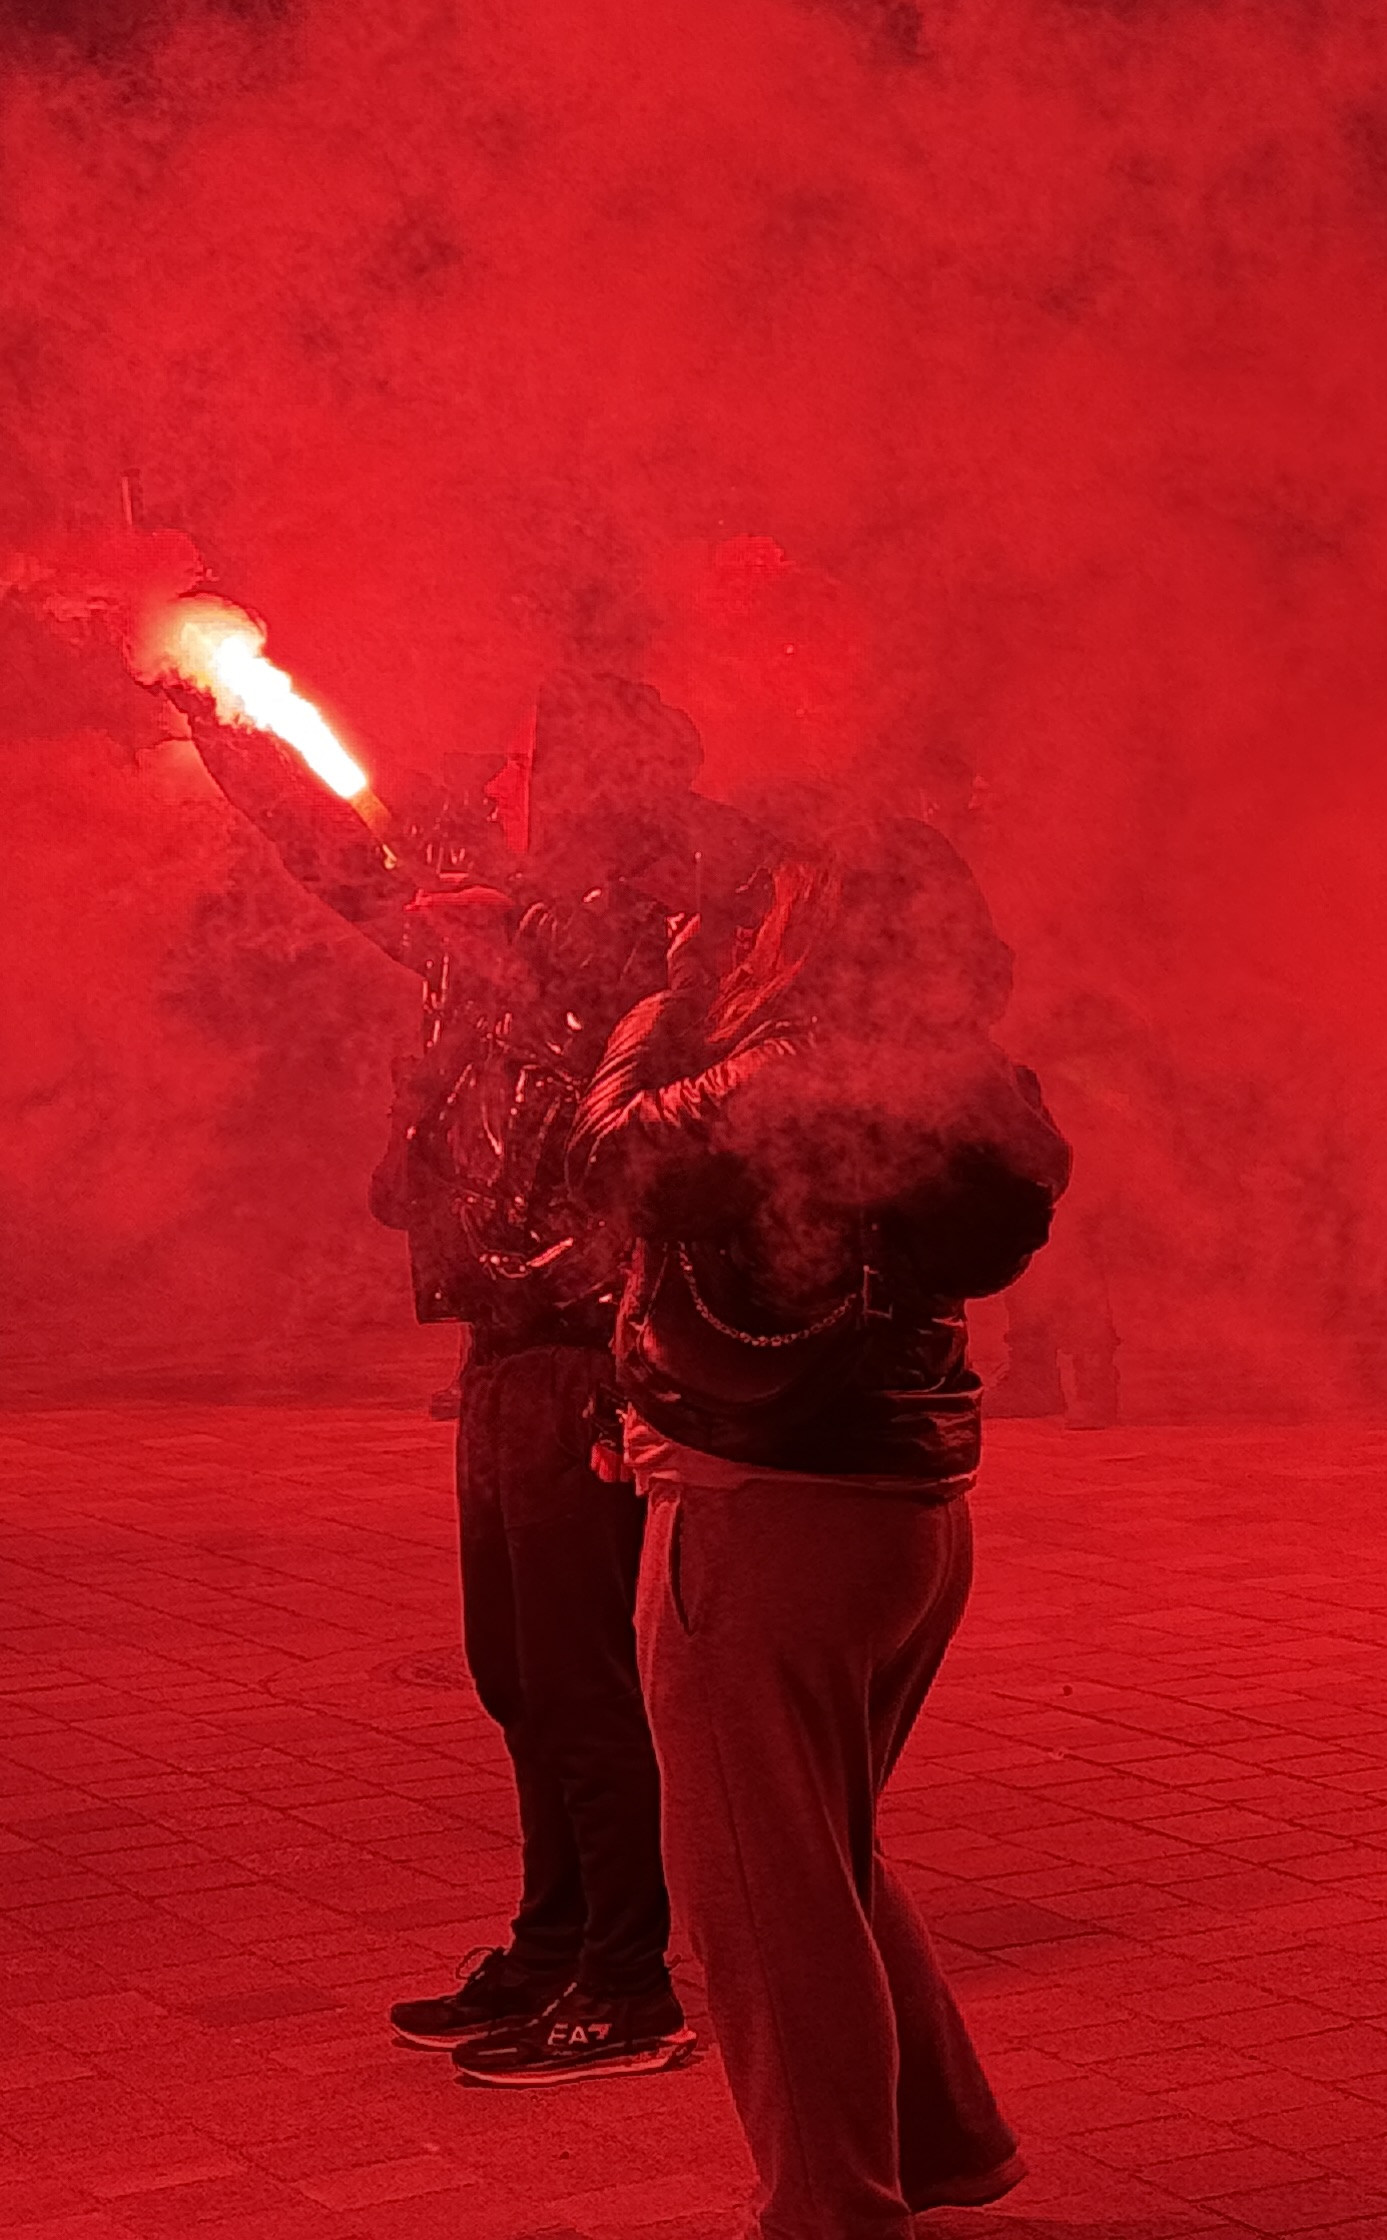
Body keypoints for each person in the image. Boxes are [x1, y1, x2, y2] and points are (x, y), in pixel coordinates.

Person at [172, 663, 720, 2086]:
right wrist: (215, 717)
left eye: (525, 759)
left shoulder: (640, 929)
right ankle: (551, 1945)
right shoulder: (507, 924)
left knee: (579, 1676)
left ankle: (629, 1980)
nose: (490, 783)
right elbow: (351, 868)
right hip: (499, 1332)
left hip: (581, 1343)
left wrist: (516, 922)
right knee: (514, 1671)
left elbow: (624, 1000)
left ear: (599, 780)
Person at [580, 817, 1068, 2236]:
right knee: (819, 1850)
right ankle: (941, 2143)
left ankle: (830, 2211)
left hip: (767, 1515)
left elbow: (611, 1161)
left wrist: (661, 1005)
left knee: (758, 1896)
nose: (723, 927)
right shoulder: (947, 1063)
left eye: (751, 909)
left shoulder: (794, 1063)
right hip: (899, 1507)